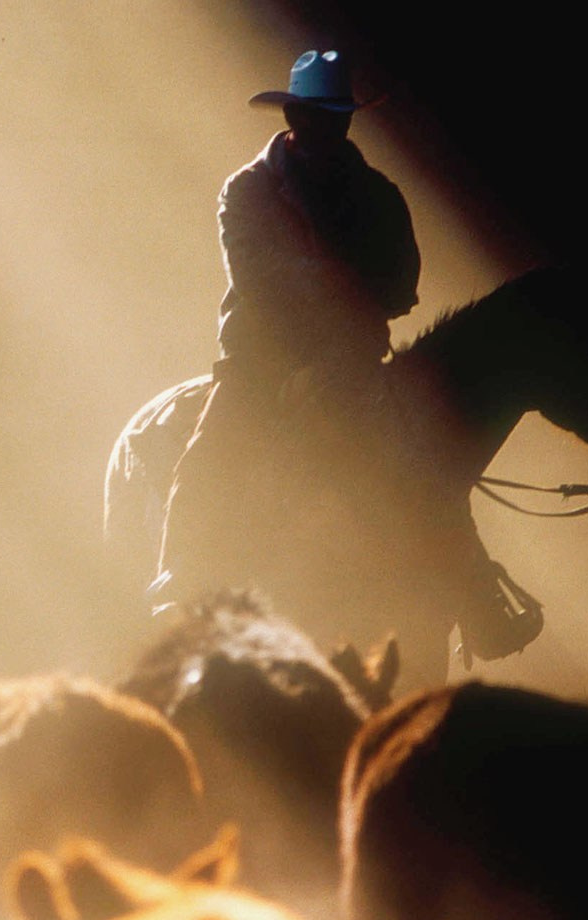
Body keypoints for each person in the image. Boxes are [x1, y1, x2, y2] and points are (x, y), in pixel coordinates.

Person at [154, 50, 425, 611]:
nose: (332, 127)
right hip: (262, 362)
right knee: (211, 455)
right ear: (293, 119)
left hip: (352, 361)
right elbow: (258, 279)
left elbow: (401, 285)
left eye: (339, 115)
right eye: (320, 115)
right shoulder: (247, 191)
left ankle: (468, 589)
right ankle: (179, 577)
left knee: (430, 463)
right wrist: (346, 291)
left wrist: (338, 326)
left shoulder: (380, 195)